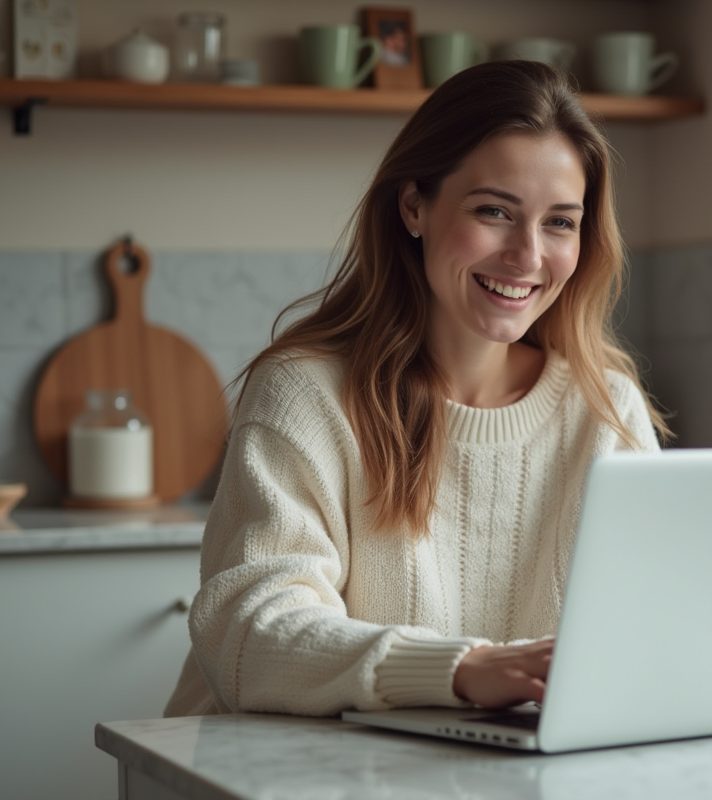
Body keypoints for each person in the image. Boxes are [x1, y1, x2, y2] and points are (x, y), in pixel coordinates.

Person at [164, 60, 670, 719]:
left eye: (560, 223)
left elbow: (651, 627)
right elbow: (252, 631)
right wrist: (461, 669)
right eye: (495, 211)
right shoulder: (303, 395)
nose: (527, 255)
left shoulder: (605, 409)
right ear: (414, 207)